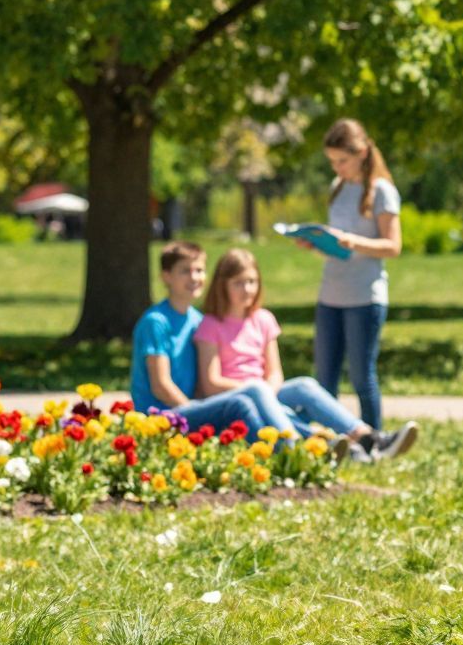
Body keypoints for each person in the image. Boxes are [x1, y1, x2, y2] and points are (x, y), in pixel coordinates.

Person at [194, 248, 417, 460]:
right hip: (236, 397)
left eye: (252, 282)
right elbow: (211, 383)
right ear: (222, 286)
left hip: (266, 391)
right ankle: (311, 448)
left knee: (304, 385)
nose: (247, 289)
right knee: (269, 400)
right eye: (238, 283)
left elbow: (274, 374)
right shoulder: (211, 324)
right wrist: (259, 390)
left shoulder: (263, 319)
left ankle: (368, 437)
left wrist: (267, 393)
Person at [303, 118, 402, 438]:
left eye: (341, 161)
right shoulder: (338, 188)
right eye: (332, 162)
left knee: (361, 376)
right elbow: (338, 248)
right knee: (324, 378)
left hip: (364, 297)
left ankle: (376, 442)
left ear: (361, 152)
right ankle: (331, 443)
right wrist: (316, 243)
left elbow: (393, 246)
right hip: (330, 295)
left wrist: (351, 241)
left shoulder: (382, 191)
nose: (337, 168)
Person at [129, 242, 286, 436]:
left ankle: (304, 442)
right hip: (162, 416)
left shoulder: (197, 319)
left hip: (193, 406)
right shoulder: (156, 322)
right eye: (185, 271)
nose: (194, 277)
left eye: (199, 270)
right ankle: (285, 449)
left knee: (282, 396)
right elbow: (161, 385)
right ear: (166, 276)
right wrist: (194, 410)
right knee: (240, 403)